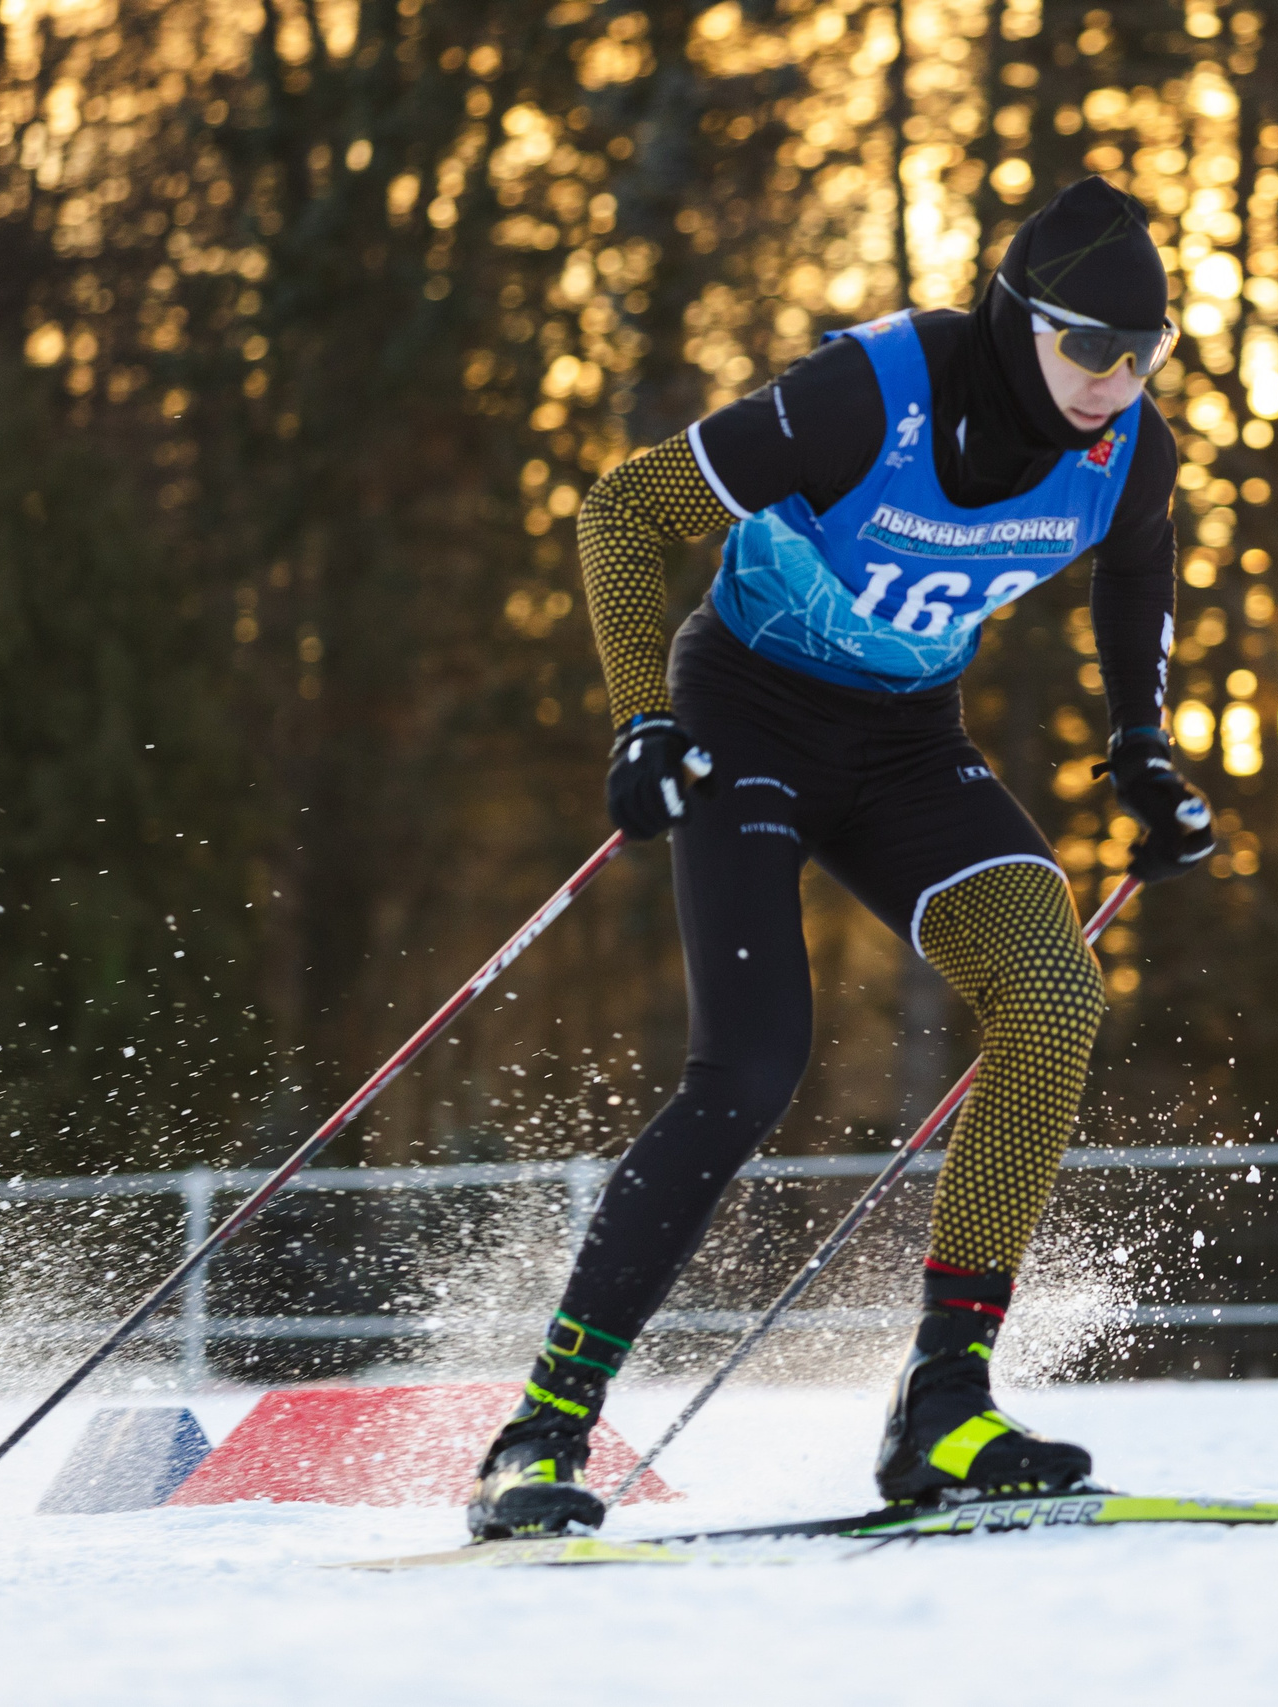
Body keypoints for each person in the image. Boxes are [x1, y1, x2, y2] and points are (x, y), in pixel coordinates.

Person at [469, 178, 1215, 1539]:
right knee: (751, 1068)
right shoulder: (871, 397)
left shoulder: (1125, 454)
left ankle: (944, 1407)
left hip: (906, 745)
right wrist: (642, 719)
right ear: (1015, 319)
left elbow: (1137, 572)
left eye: (1142, 353)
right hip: (745, 710)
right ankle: (542, 1431)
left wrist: (1141, 749)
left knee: (1052, 1000)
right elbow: (624, 515)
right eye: (1088, 346)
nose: (1113, 381)